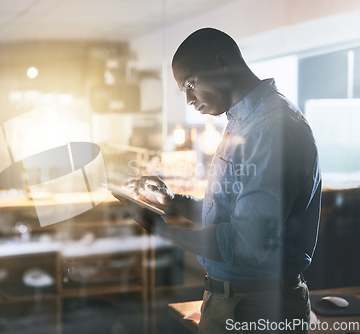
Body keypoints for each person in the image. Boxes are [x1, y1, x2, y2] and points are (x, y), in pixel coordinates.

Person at [116, 28, 321, 334]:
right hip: (239, 300)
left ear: (222, 62)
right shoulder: (244, 122)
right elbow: (233, 214)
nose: (188, 100)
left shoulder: (271, 129)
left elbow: (247, 243)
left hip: (256, 308)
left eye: (190, 85)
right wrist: (172, 201)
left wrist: (159, 227)